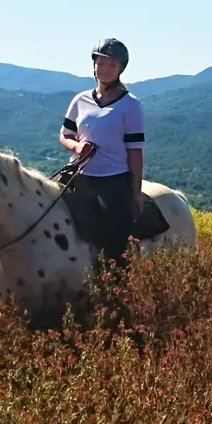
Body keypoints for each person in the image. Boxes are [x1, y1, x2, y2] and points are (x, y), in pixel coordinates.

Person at [59, 38, 147, 266]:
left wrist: (135, 193)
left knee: (114, 235)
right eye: (101, 63)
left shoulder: (131, 105)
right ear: (94, 65)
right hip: (79, 175)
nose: (105, 69)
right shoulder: (80, 100)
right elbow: (65, 135)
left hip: (113, 179)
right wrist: (77, 147)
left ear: (120, 69)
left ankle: (117, 281)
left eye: (112, 65)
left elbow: (135, 152)